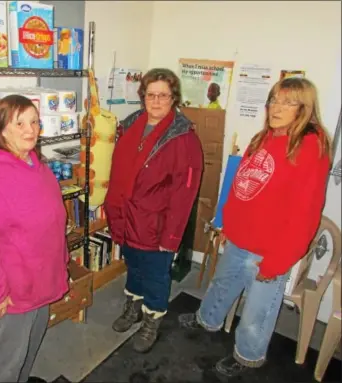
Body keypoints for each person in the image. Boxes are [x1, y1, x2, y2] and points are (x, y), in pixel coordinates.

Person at [179, 77, 331, 378]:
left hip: (269, 250)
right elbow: (241, 186)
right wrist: (226, 224)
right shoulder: (263, 137)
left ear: (304, 108)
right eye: (274, 99)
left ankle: (248, 354)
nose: (276, 107)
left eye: (288, 102)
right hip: (239, 237)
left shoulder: (312, 147)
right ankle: (207, 319)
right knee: (221, 286)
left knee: (256, 314)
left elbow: (306, 215)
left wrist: (278, 261)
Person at [0, 95, 70, 383]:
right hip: (12, 293)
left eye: (34, 121)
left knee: (26, 355)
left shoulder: (37, 165)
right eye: (19, 123)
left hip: (40, 282)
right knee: (2, 368)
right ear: (2, 129)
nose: (30, 129)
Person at [104, 68, 203, 353]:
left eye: (163, 95)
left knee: (157, 275)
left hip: (157, 223)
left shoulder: (183, 137)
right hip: (127, 216)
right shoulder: (131, 124)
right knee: (133, 266)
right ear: (142, 97)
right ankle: (133, 307)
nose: (156, 101)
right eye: (151, 95)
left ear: (174, 98)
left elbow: (185, 195)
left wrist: (171, 236)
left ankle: (152, 318)